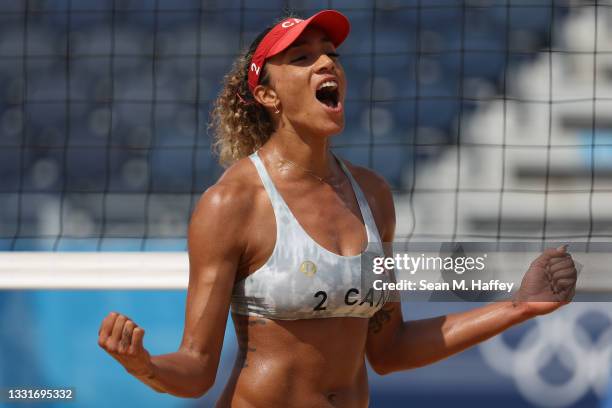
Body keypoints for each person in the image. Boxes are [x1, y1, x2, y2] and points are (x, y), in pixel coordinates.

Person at [97, 10, 578, 407]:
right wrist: (146, 366)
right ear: (267, 95)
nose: (327, 62)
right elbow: (197, 370)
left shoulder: (372, 194)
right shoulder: (233, 202)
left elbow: (390, 349)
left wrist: (519, 307)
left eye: (331, 53)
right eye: (303, 57)